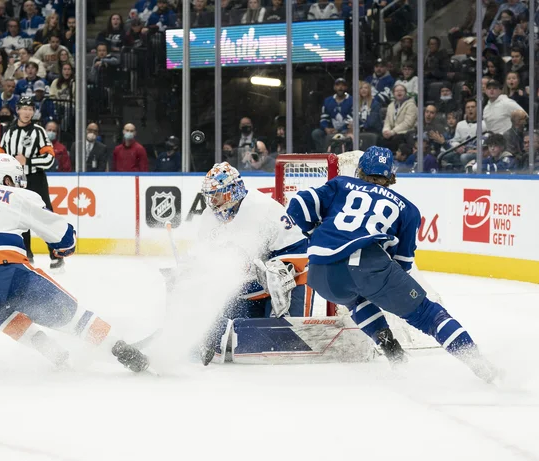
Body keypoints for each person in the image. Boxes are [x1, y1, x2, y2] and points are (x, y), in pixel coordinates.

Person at [0, 154, 149, 372]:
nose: (20, 183)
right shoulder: (19, 196)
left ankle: (53, 353)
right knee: (72, 316)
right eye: (17, 178)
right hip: (7, 275)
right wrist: (61, 248)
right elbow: (65, 240)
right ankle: (121, 349)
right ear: (6, 180)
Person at [287, 146, 498, 383]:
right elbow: (402, 264)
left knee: (357, 301)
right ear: (391, 177)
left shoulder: (340, 184)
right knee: (428, 314)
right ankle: (483, 367)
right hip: (365, 264)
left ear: (359, 170)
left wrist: (315, 233)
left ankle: (394, 354)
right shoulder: (407, 209)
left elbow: (297, 205)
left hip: (320, 273)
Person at [189, 162, 310, 364]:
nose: (213, 201)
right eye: (210, 195)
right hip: (243, 287)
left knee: (282, 341)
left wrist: (278, 269)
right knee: (228, 323)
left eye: (217, 195)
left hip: (276, 286)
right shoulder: (209, 217)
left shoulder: (265, 209)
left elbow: (297, 248)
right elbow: (204, 257)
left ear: (233, 191)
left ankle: (289, 328)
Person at [0, 96, 63, 270]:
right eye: (24, 109)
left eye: (30, 109)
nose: (27, 112)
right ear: (17, 110)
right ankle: (26, 255)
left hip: (35, 179)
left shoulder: (39, 131)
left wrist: (28, 162)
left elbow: (50, 159)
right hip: (16, 182)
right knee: (19, 218)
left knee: (45, 216)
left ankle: (56, 254)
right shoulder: (8, 133)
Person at [312, 77, 353, 151]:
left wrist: (340, 129)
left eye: (342, 85)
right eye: (338, 85)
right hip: (331, 129)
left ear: (346, 87)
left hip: (345, 130)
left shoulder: (351, 100)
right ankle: (324, 153)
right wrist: (326, 128)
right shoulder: (328, 101)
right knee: (316, 133)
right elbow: (324, 117)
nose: (340, 87)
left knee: (343, 135)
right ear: (334, 87)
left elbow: (351, 118)